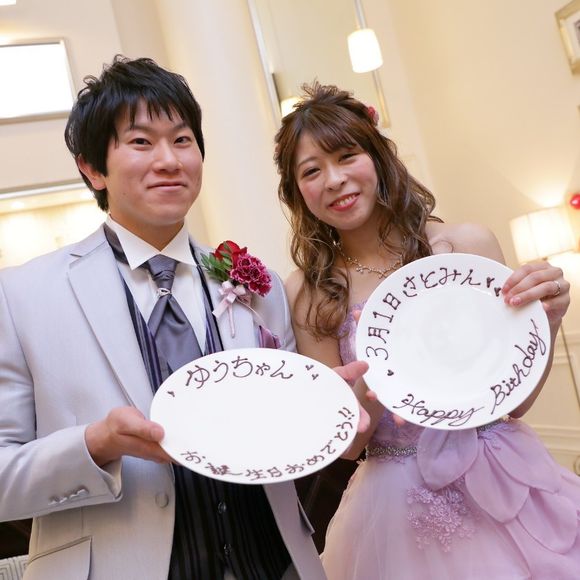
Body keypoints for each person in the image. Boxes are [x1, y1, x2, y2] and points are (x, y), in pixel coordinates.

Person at [0, 57, 367, 580]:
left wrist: (326, 412)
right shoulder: (23, 295)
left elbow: (283, 433)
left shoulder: (258, 284)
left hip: (275, 563)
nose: (169, 160)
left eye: (182, 140)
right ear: (92, 168)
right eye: (141, 142)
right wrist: (95, 444)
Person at [274, 82, 580, 579]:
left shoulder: (466, 246)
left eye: (347, 156)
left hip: (505, 475)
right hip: (399, 506)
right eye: (311, 171)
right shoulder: (309, 292)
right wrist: (369, 389)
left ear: (377, 157)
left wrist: (549, 318)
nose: (334, 179)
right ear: (297, 193)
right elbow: (347, 446)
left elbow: (516, 403)